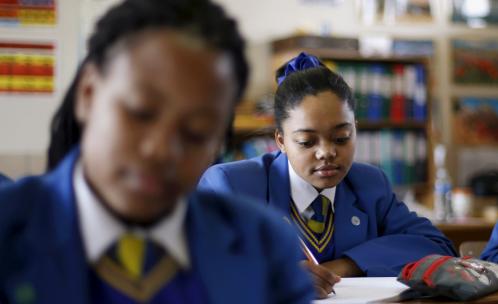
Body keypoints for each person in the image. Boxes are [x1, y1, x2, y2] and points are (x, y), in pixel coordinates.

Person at [0, 1, 314, 303]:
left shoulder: (263, 248)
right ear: (88, 94)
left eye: (196, 132)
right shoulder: (10, 230)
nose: (161, 151)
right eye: (140, 113)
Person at [199, 52, 457, 298]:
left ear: (355, 130)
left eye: (341, 138)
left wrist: (344, 266)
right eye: (306, 142)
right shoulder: (231, 186)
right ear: (281, 140)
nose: (326, 152)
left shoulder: (368, 183)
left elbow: (435, 244)